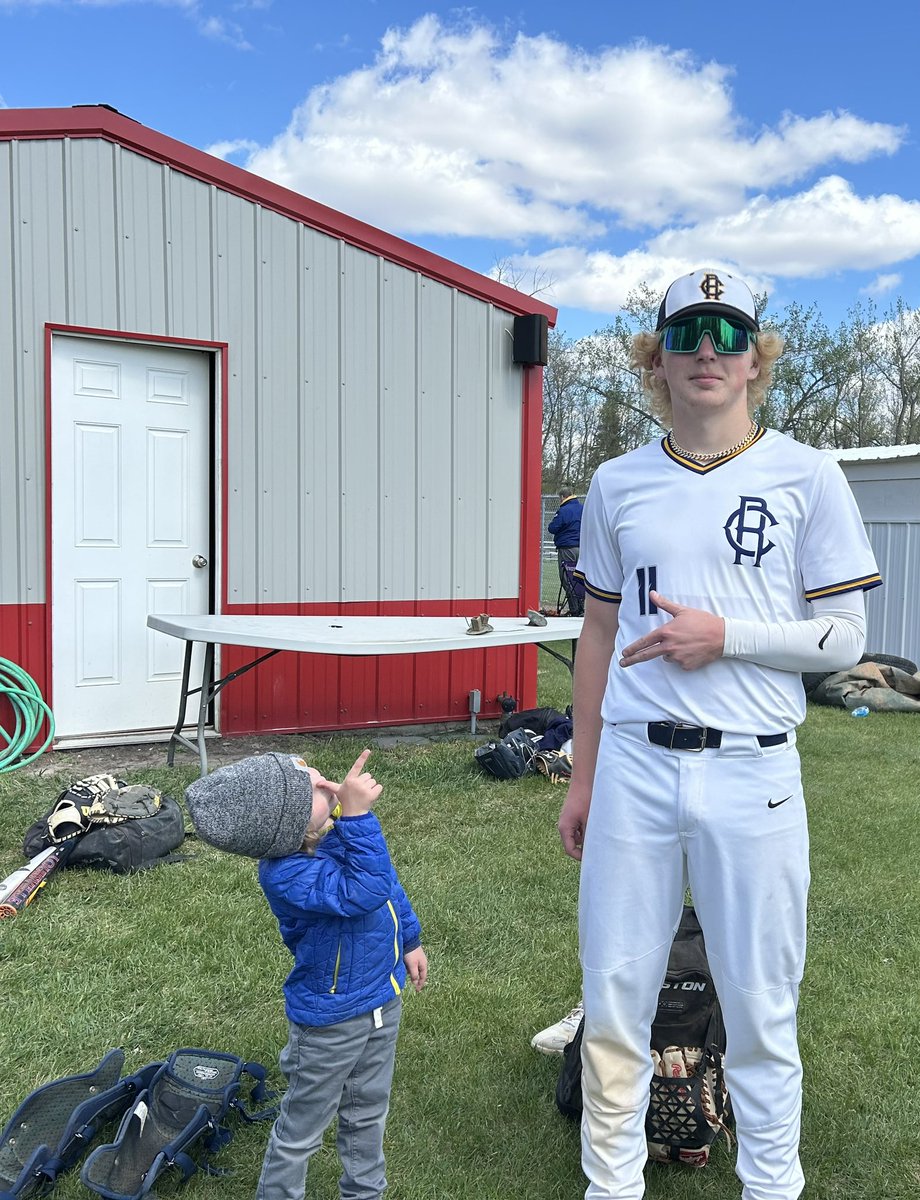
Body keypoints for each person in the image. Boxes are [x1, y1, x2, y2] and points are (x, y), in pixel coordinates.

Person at [558, 268, 882, 1200]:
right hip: (634, 770)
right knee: (616, 1003)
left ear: (754, 358)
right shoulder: (617, 481)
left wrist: (726, 637)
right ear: (656, 358)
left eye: (728, 334)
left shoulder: (808, 473)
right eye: (688, 333)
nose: (707, 350)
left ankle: (771, 1188)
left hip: (756, 778)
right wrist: (582, 774)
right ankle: (610, 1186)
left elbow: (844, 639)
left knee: (761, 1010)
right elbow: (599, 631)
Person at [185, 748, 427, 1200]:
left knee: (368, 1111)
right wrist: (357, 819)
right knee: (303, 1127)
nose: (326, 783)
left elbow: (387, 883)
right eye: (313, 786)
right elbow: (365, 891)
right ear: (290, 825)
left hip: (381, 1000)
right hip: (331, 1020)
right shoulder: (286, 874)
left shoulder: (334, 835)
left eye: (317, 773)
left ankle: (365, 1191)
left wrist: (409, 940)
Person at [548, 485, 585, 615]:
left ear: (562, 497)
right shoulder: (583, 508)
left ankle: (575, 609)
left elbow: (552, 528)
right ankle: (582, 607)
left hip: (567, 549)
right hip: (582, 548)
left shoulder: (563, 510)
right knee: (580, 579)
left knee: (567, 578)